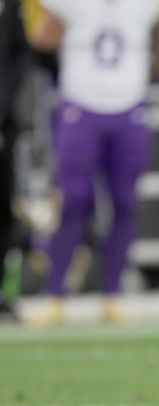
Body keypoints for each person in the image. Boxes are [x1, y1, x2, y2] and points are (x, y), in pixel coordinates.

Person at [26, 0, 159, 325]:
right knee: (73, 201)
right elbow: (41, 38)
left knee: (125, 202)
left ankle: (112, 294)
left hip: (128, 105)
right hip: (81, 106)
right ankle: (54, 295)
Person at [0, 0, 29, 321]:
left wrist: (4, 105)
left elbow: (20, 55)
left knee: (5, 212)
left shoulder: (11, 6)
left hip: (5, 123)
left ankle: (3, 292)